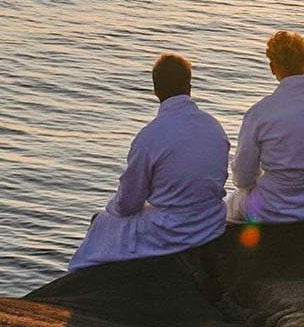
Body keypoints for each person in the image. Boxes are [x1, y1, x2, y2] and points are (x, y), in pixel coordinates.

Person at [67, 53, 229, 271]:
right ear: (189, 86)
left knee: (101, 225)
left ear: (156, 90)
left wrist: (110, 209)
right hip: (210, 223)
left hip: (171, 231)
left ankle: (78, 279)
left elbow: (128, 204)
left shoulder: (150, 137)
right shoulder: (214, 127)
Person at [226, 30, 304, 223]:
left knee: (234, 202)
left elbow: (243, 177)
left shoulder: (260, 112)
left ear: (273, 68)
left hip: (272, 209)